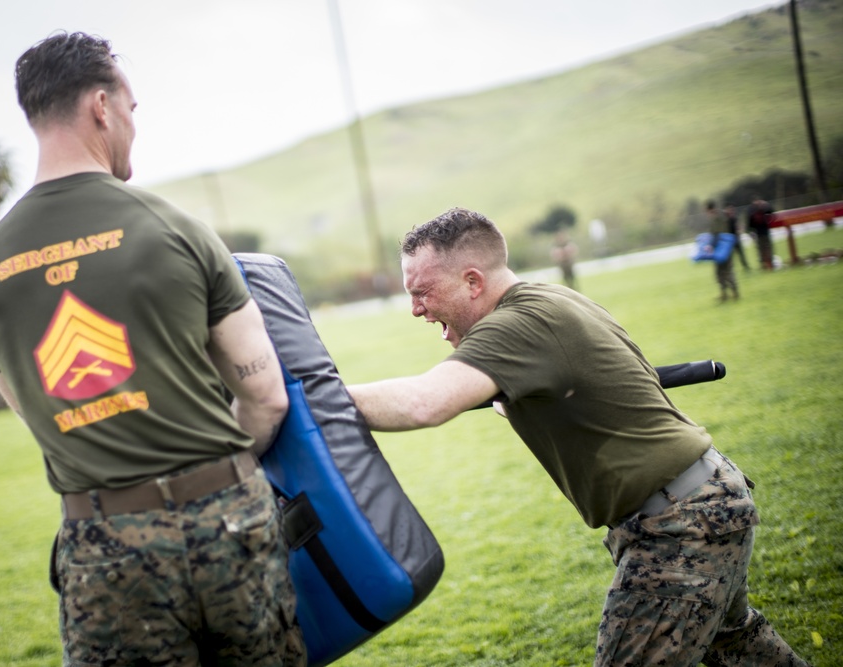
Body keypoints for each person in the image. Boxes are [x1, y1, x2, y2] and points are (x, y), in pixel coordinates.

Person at [0, 32, 305, 666]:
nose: (132, 125)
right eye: (131, 109)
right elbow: (264, 395)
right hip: (230, 523)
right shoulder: (175, 228)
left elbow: (38, 419)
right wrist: (209, 478)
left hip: (103, 547)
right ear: (100, 106)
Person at [346, 207, 809, 667]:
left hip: (680, 526)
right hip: (707, 498)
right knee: (739, 648)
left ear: (472, 281)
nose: (415, 309)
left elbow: (423, 402)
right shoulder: (552, 298)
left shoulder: (519, 325)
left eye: (422, 292)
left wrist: (310, 397)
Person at [705, 201, 739, 302]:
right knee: (720, 272)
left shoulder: (717, 218)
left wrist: (711, 246)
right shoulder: (720, 216)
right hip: (721, 249)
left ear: (708, 209)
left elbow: (717, 234)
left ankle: (734, 292)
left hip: (723, 249)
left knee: (726, 271)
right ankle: (725, 294)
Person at [746, 194, 775, 270]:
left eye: (758, 201)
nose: (757, 203)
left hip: (765, 231)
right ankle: (764, 265)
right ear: (753, 202)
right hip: (757, 233)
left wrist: (767, 205)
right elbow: (749, 222)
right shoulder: (751, 210)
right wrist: (750, 232)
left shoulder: (764, 207)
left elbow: (771, 212)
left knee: (768, 247)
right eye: (756, 201)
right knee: (760, 249)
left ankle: (770, 263)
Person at [724, 204, 750, 271]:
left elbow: (738, 227)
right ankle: (731, 268)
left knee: (741, 254)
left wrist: (740, 230)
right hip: (730, 240)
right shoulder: (726, 220)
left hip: (736, 239)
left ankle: (746, 266)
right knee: (731, 256)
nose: (731, 212)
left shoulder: (734, 218)